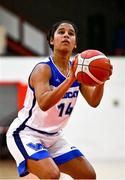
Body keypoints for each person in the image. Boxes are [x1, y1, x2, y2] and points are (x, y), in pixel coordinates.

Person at [6, 20, 112, 179]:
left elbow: (94, 102)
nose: (66, 36)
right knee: (51, 174)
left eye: (71, 34)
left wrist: (100, 81)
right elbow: (44, 104)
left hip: (54, 137)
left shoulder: (79, 71)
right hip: (26, 133)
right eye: (61, 32)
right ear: (51, 40)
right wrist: (70, 79)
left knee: (87, 175)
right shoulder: (44, 69)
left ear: (75, 43)